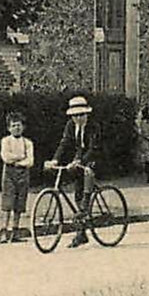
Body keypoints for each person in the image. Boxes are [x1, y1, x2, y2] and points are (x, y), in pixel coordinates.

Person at [48, 94, 100, 248]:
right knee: (76, 189)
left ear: (87, 114)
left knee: (87, 172)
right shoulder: (70, 126)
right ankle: (81, 233)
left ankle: (85, 204)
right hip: (79, 156)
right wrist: (55, 160)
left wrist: (80, 161)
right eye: (75, 115)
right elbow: (64, 143)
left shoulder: (94, 126)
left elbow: (93, 148)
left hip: (95, 156)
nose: (78, 118)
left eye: (81, 115)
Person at [0, 111, 35, 242]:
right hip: (9, 173)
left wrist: (18, 161)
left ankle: (15, 231)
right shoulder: (6, 141)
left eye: (19, 125)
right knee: (7, 202)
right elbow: (6, 157)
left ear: (23, 127)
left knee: (19, 203)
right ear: (9, 128)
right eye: (13, 125)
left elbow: (30, 161)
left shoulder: (28, 143)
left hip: (23, 174)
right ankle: (4, 231)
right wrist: (20, 158)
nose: (17, 128)